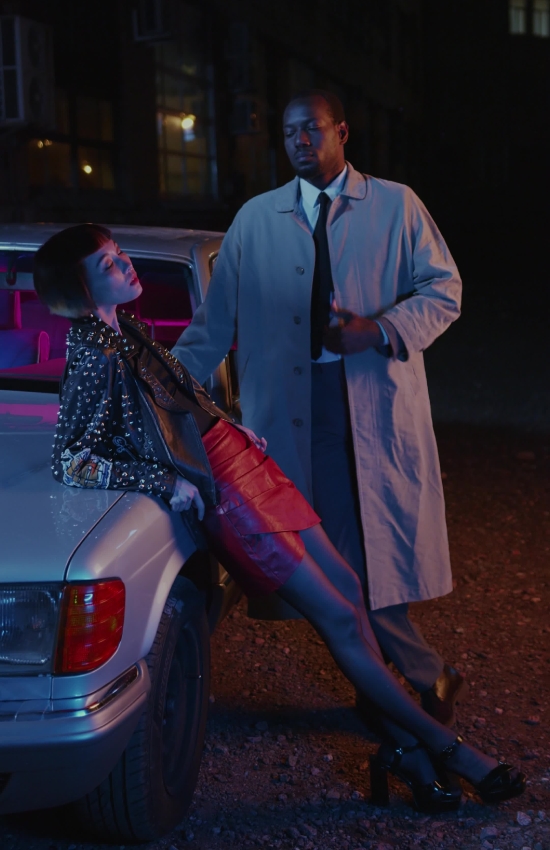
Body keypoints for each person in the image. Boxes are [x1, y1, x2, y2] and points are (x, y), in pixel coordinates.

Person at [34, 223, 525, 815]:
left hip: (242, 462)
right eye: (109, 264)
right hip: (227, 494)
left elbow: (177, 397)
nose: (125, 265)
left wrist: (231, 425)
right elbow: (74, 457)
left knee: (349, 588)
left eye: (118, 254)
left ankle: (405, 750)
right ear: (82, 291)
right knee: (338, 617)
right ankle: (447, 749)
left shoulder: (125, 328)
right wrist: (165, 483)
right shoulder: (93, 352)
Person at [173, 90, 465, 726]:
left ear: (342, 132)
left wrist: (379, 329)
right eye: (288, 132)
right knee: (337, 561)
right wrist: (159, 388)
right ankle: (419, 677)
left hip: (371, 404)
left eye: (312, 128)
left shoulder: (396, 205)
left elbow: (445, 290)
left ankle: (399, 685)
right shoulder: (256, 219)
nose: (300, 141)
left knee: (353, 560)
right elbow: (212, 326)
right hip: (294, 414)